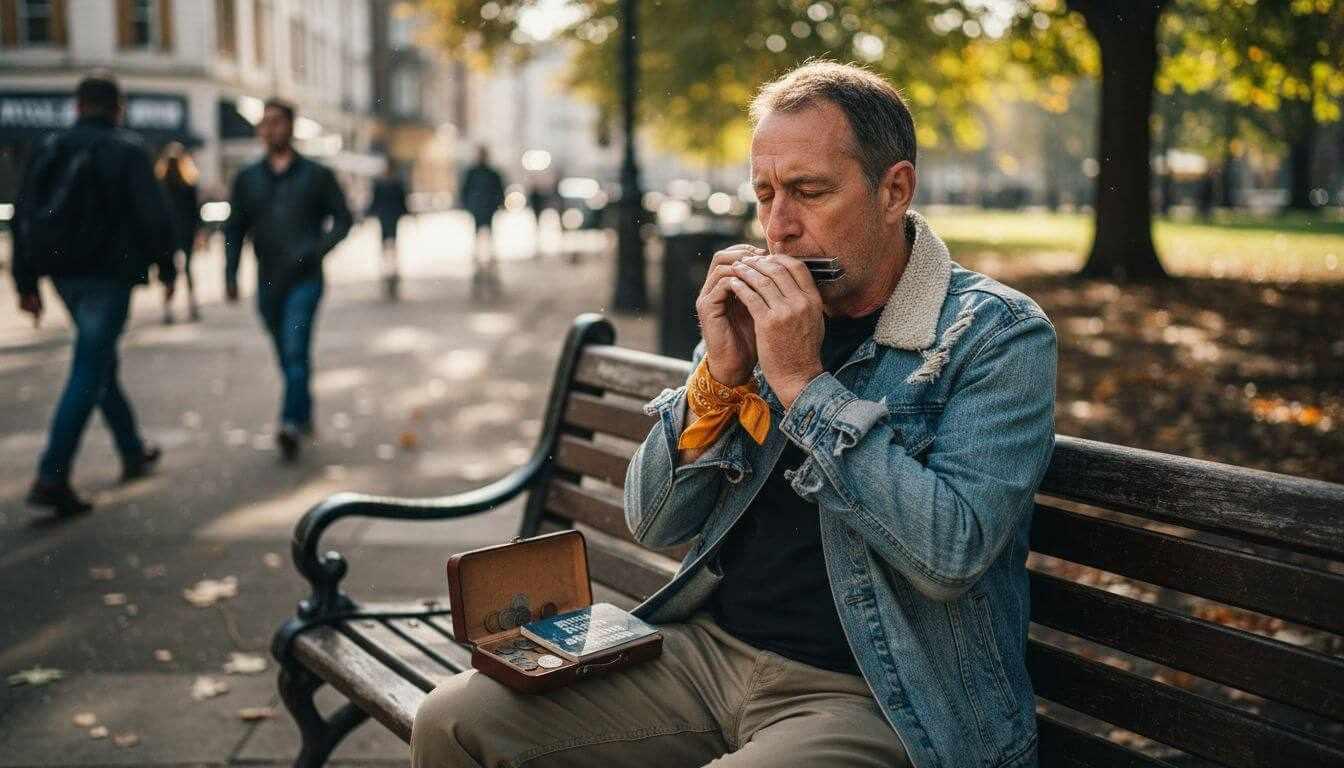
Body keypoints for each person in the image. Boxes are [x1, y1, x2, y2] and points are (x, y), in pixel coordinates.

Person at [412, 62, 1057, 768]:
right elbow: (655, 521)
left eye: (810, 192)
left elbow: (951, 554)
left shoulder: (993, 336)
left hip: (878, 693)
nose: (779, 227)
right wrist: (718, 380)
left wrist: (805, 386)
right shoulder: (759, 317)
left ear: (893, 190)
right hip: (705, 655)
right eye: (765, 194)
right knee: (454, 721)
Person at [11, 74, 175, 516]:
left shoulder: (47, 146)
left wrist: (26, 283)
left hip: (63, 275)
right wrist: (168, 269)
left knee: (100, 360)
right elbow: (153, 217)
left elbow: (23, 214)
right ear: (117, 107)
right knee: (90, 365)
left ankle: (131, 448)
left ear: (78, 105)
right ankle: (52, 474)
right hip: (108, 274)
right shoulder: (127, 150)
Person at [223, 98, 352, 462]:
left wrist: (318, 249)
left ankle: (290, 423)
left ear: (291, 127)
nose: (271, 129)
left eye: (278, 122)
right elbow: (234, 229)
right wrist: (230, 273)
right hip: (267, 281)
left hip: (305, 279)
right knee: (286, 354)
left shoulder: (317, 175)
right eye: (265, 123)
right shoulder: (247, 179)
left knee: (295, 348)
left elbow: (343, 220)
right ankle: (303, 408)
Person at [155, 142, 202, 323]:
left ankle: (168, 310)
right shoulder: (188, 184)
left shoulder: (160, 184)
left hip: (168, 233)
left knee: (169, 273)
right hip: (185, 230)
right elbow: (195, 212)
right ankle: (192, 306)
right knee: (188, 269)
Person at [458, 146, 505, 295]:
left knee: (488, 238)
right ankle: (480, 266)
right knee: (479, 238)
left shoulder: (489, 173)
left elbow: (499, 191)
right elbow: (464, 191)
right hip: (478, 210)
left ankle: (488, 265)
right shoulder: (474, 173)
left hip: (486, 209)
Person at [365, 165, 410, 300]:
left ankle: (391, 266)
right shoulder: (389, 184)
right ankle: (389, 266)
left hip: (388, 217)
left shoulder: (389, 184)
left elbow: (401, 201)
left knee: (389, 243)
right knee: (388, 243)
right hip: (387, 217)